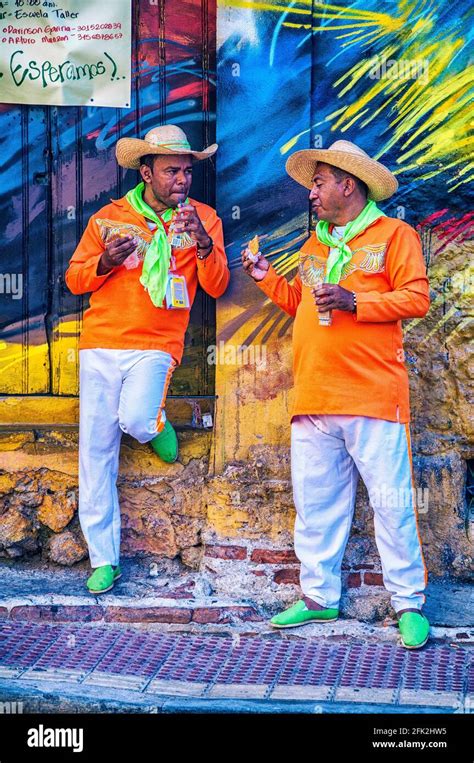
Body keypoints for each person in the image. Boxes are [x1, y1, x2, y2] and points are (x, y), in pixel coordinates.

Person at [243, 140, 431, 649]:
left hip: (372, 393)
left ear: (348, 184)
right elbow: (302, 305)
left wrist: (355, 300)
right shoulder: (315, 245)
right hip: (314, 394)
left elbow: (417, 298)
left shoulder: (396, 236)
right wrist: (265, 278)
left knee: (392, 504)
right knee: (316, 503)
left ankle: (408, 602)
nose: (312, 193)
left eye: (319, 183)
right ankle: (319, 596)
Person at [65, 124, 229, 594]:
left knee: (136, 419)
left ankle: (155, 427)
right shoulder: (109, 218)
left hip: (157, 343)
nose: (181, 179)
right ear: (146, 172)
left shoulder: (206, 219)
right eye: (171, 170)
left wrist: (202, 243)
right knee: (95, 453)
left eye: (187, 171)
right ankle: (104, 559)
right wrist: (104, 263)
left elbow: (216, 285)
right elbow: (76, 280)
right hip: (100, 342)